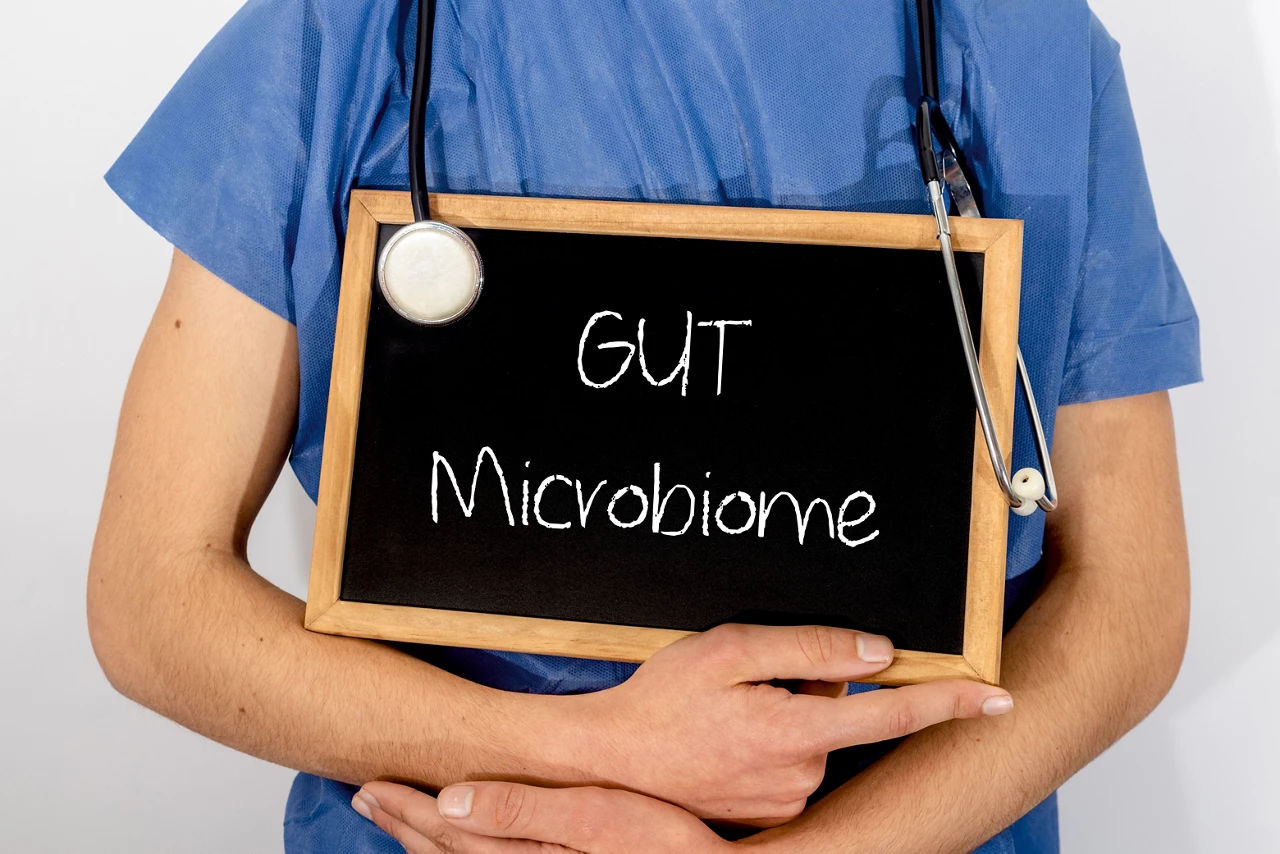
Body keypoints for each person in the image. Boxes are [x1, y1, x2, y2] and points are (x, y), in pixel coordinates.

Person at [89, 0, 1201, 851]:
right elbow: (151, 596)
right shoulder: (348, 33)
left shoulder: (1021, 42)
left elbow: (1128, 600)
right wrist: (578, 751)